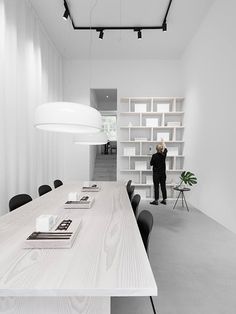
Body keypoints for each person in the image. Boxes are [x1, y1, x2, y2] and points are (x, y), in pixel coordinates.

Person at [150, 139, 168, 205]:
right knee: (163, 186)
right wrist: (163, 142)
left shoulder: (154, 156)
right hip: (163, 174)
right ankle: (164, 200)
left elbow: (151, 164)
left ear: (156, 149)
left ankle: (156, 200)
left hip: (156, 174)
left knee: (156, 187)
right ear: (162, 149)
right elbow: (166, 148)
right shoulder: (164, 155)